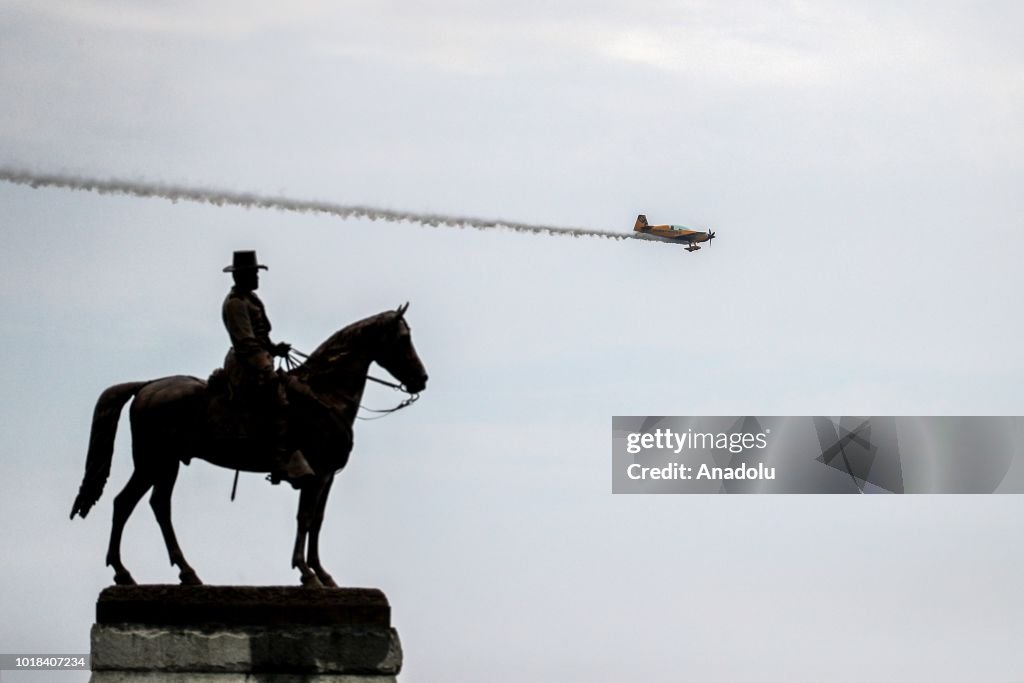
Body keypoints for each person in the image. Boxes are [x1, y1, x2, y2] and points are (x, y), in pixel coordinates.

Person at [221, 250, 314, 488]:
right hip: (245, 363)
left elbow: (260, 337)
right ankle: (280, 459)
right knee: (279, 396)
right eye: (253, 273)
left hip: (258, 357)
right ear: (241, 276)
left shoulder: (250, 299)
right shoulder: (235, 304)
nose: (257, 278)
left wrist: (275, 348)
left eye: (256, 273)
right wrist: (267, 364)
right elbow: (245, 343)